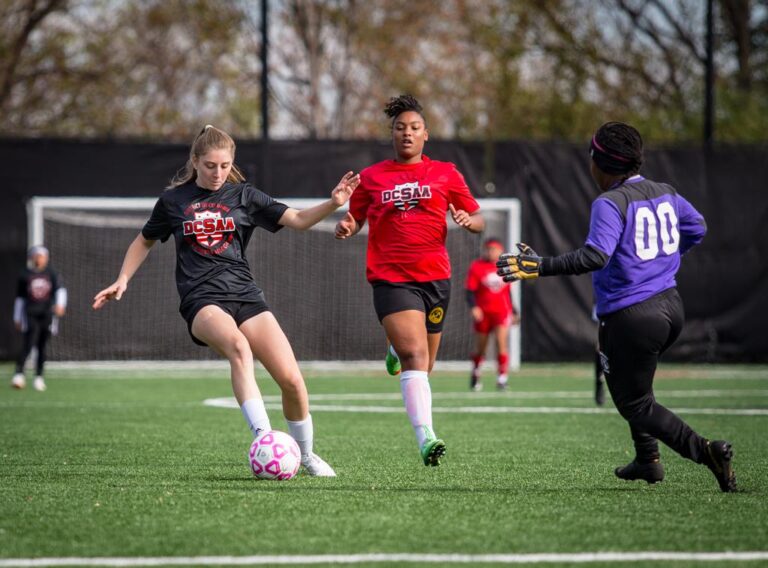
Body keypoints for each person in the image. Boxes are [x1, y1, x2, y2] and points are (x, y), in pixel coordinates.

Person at [93, 125, 360, 477]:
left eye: (224, 165)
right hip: (200, 298)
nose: (217, 173)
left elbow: (296, 219)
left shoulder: (244, 196)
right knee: (238, 347)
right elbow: (143, 240)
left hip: (245, 294)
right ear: (195, 161)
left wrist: (334, 204)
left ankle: (306, 455)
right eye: (209, 165)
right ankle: (264, 437)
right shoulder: (174, 201)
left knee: (292, 380)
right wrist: (122, 278)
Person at [496, 121, 736, 493]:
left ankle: (707, 452)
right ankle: (647, 460)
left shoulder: (609, 202)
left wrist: (540, 266)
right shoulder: (665, 191)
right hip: (671, 308)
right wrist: (663, 259)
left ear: (600, 163)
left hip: (632, 315)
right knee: (637, 385)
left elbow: (594, 256)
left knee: (634, 404)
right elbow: (697, 227)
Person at [335, 95, 484, 466]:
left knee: (426, 366)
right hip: (391, 279)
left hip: (436, 279)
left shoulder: (446, 173)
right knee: (414, 356)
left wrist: (469, 222)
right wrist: (347, 226)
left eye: (414, 128)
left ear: (426, 135)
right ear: (392, 134)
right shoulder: (372, 177)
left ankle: (393, 349)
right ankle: (426, 438)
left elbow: (478, 217)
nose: (407, 133)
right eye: (400, 127)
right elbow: (355, 220)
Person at [465, 238, 519, 391]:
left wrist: (514, 311)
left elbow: (508, 291)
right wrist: (474, 307)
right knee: (481, 347)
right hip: (483, 313)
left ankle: (502, 379)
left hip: (501, 311)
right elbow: (470, 290)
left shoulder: (505, 267)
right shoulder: (477, 266)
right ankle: (476, 373)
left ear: (500, 251)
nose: (491, 252)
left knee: (501, 344)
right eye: (488, 249)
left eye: (494, 249)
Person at [11, 246, 67, 391]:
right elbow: (20, 298)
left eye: (41, 256)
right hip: (30, 313)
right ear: (32, 257)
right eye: (36, 256)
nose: (39, 259)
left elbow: (60, 290)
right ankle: (19, 374)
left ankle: (39, 377)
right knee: (28, 342)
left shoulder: (51, 273)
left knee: (42, 346)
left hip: (46, 313)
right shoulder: (25, 274)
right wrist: (17, 317)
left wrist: (60, 305)